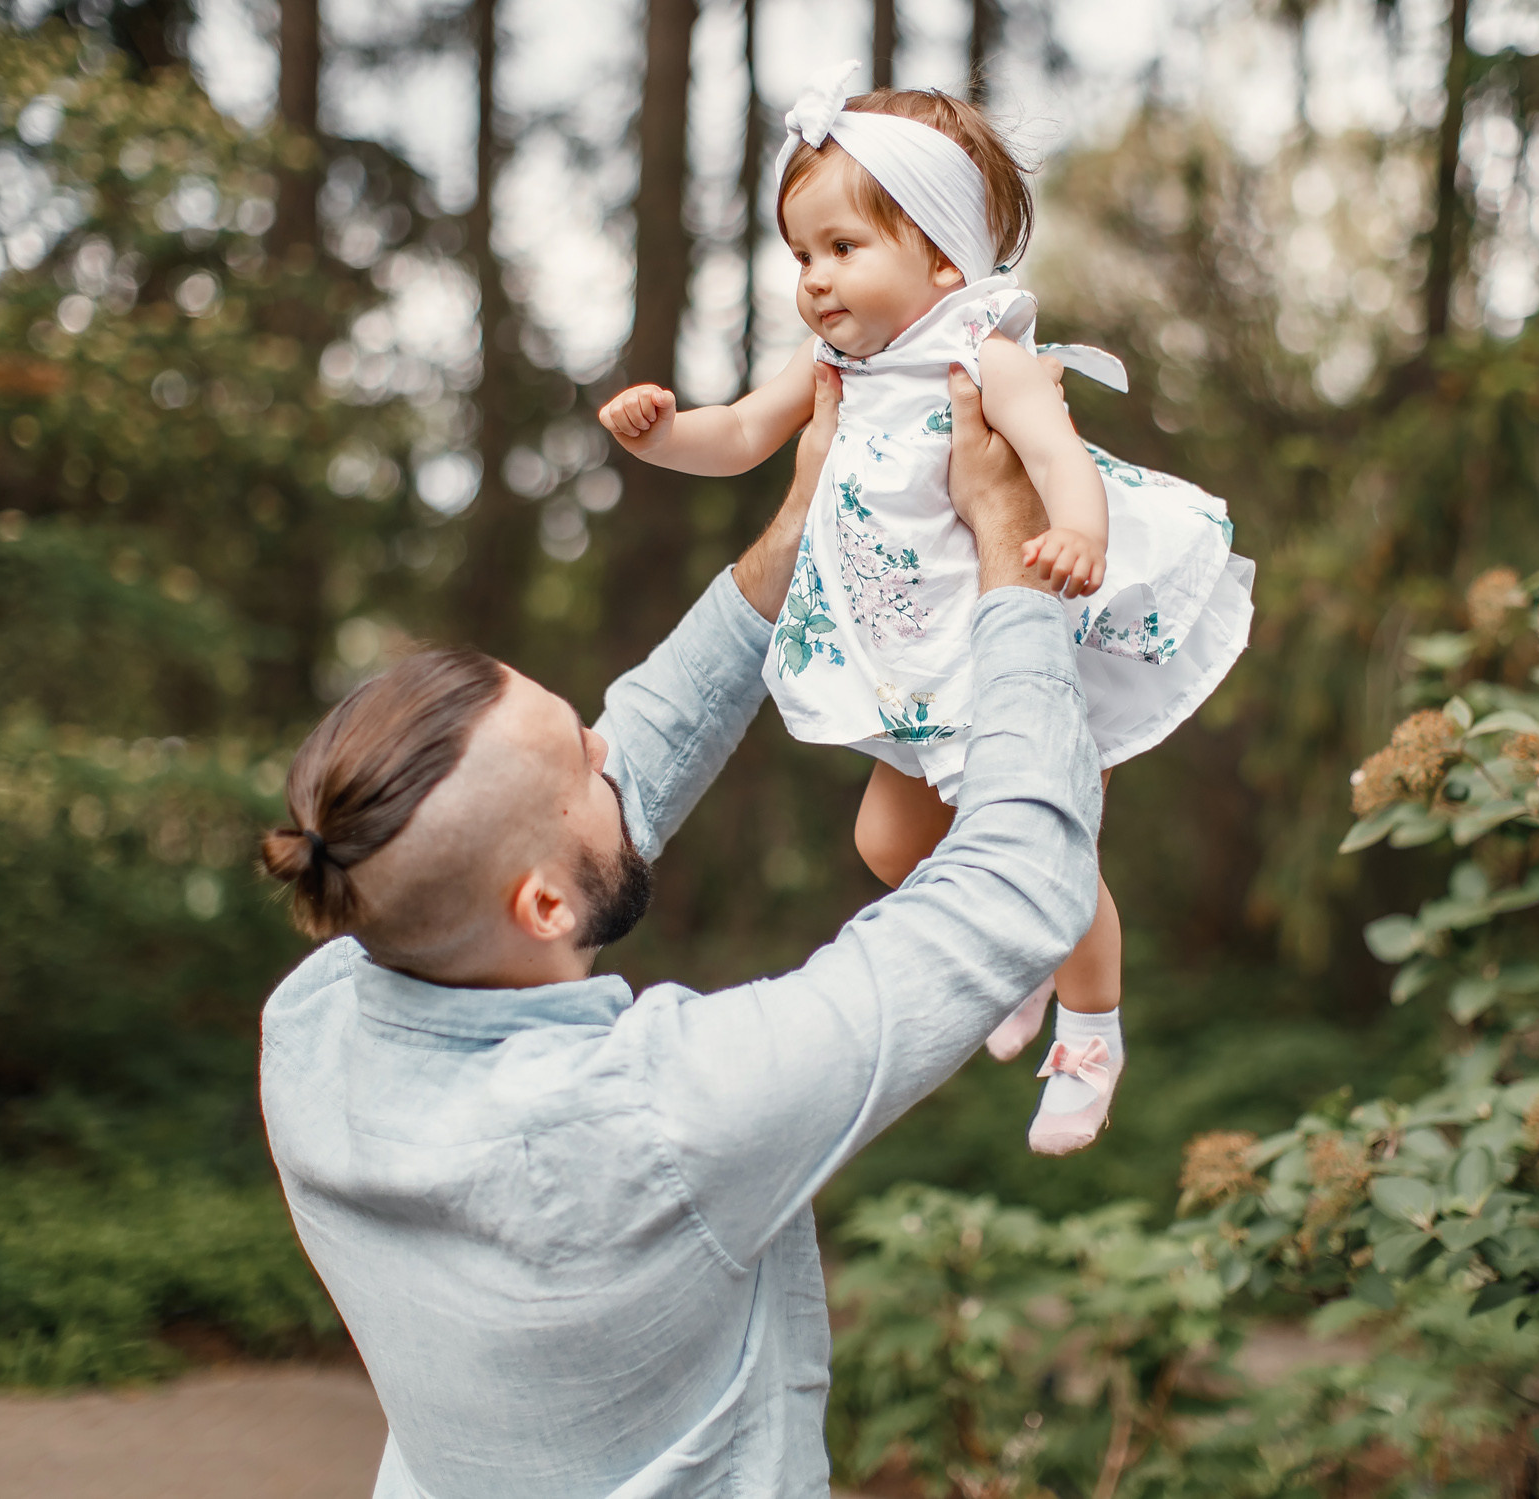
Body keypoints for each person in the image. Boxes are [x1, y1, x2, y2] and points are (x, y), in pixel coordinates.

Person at [256, 365, 1103, 1499]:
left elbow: (622, 760)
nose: (612, 750)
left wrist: (800, 527)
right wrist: (1010, 544)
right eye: (581, 760)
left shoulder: (311, 1020)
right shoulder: (665, 1119)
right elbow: (1015, 888)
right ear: (544, 909)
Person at [596, 59, 1254, 1153]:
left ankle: (1092, 1030)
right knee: (884, 839)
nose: (813, 279)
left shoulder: (982, 354)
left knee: (1051, 852)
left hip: (1003, 651)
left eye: (843, 249)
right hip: (912, 663)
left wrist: (1078, 534)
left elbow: (1055, 453)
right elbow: (739, 440)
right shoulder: (829, 368)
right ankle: (1015, 949)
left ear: (943, 255)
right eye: (801, 253)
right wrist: (662, 433)